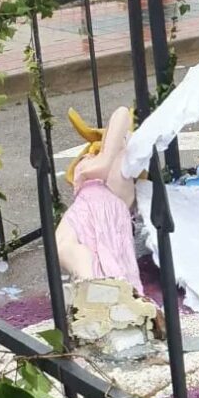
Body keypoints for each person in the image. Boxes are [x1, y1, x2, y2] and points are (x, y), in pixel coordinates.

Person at [56, 105, 143, 291]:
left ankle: (94, 285)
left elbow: (122, 113)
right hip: (83, 207)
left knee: (101, 259)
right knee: (62, 246)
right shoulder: (93, 163)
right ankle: (88, 284)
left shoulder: (119, 156)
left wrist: (103, 161)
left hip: (104, 202)